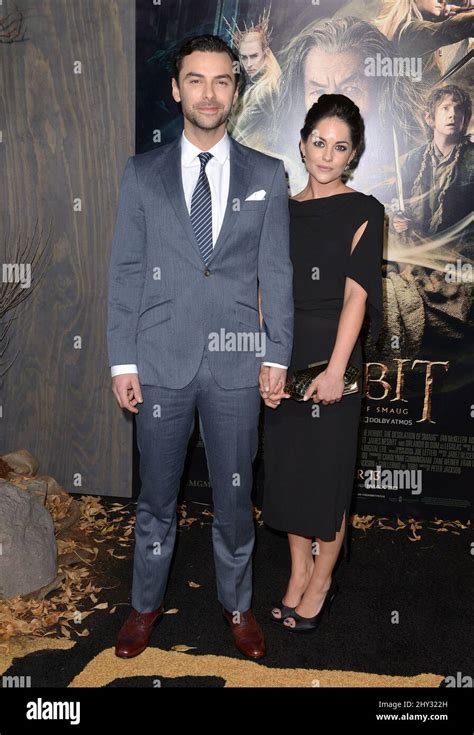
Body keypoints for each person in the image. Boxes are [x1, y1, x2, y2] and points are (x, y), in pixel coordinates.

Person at [107, 34, 293, 659]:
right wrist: (122, 359)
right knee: (156, 499)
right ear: (176, 87)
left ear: (235, 92)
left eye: (221, 81)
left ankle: (237, 606)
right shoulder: (143, 173)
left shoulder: (268, 174)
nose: (208, 93)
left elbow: (277, 274)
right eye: (196, 80)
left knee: (235, 501)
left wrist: (278, 354)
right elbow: (127, 272)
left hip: (240, 362)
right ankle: (144, 606)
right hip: (160, 360)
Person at [262, 94, 385, 632]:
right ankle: (296, 573)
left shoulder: (365, 210)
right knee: (289, 476)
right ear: (302, 143)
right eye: (319, 143)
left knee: (327, 479)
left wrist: (336, 370)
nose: (327, 156)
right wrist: (270, 361)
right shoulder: (278, 210)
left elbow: (357, 295)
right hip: (285, 356)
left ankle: (322, 581)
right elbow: (266, 291)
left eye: (340, 147)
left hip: (336, 355)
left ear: (352, 154)